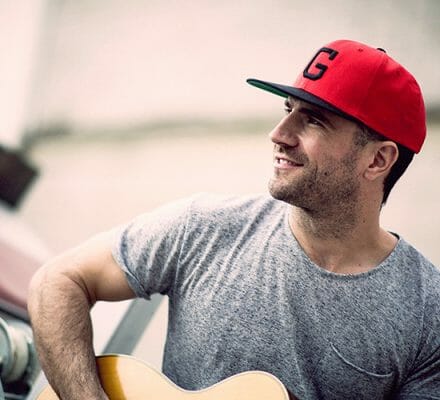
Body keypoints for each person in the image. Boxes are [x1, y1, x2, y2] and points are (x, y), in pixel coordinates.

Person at [28, 39, 440, 400]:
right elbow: (57, 281)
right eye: (288, 109)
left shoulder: (427, 313)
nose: (279, 133)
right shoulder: (204, 228)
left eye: (313, 120)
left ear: (378, 159)